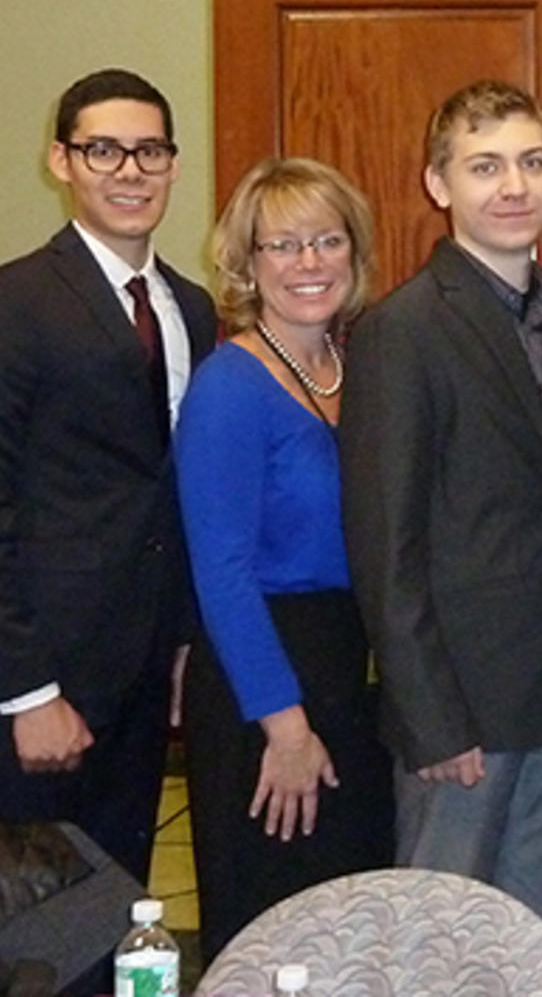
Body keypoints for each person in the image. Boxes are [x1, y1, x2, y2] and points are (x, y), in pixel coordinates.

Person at [0, 68, 218, 883]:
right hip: (39, 674)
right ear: (61, 161)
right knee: (34, 920)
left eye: (150, 151)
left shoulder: (191, 307)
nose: (130, 171)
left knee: (119, 898)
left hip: (139, 667)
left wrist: (182, 644)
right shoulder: (7, 300)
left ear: (172, 163)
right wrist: (27, 691)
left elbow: (172, 490)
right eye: (104, 150)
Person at [341, 80, 542, 933]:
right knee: (438, 949)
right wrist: (432, 718)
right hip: (462, 719)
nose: (513, 186)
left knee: (530, 947)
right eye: (485, 167)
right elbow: (385, 545)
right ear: (439, 185)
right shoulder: (400, 330)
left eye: (531, 162)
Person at [175, 157, 394, 953]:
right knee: (276, 932)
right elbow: (221, 572)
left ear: (354, 252)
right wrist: (287, 729)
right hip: (265, 687)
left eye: (327, 241)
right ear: (248, 262)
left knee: (351, 925)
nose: (308, 263)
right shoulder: (228, 385)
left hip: (352, 677)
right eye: (283, 245)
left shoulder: (359, 369)